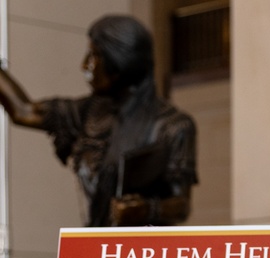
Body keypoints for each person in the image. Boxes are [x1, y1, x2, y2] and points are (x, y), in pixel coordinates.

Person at [0, 14, 197, 227]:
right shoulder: (87, 112)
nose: (85, 66)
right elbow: (23, 111)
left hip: (142, 246)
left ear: (119, 61)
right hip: (92, 241)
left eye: (94, 56)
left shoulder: (173, 125)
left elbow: (182, 205)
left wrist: (147, 209)